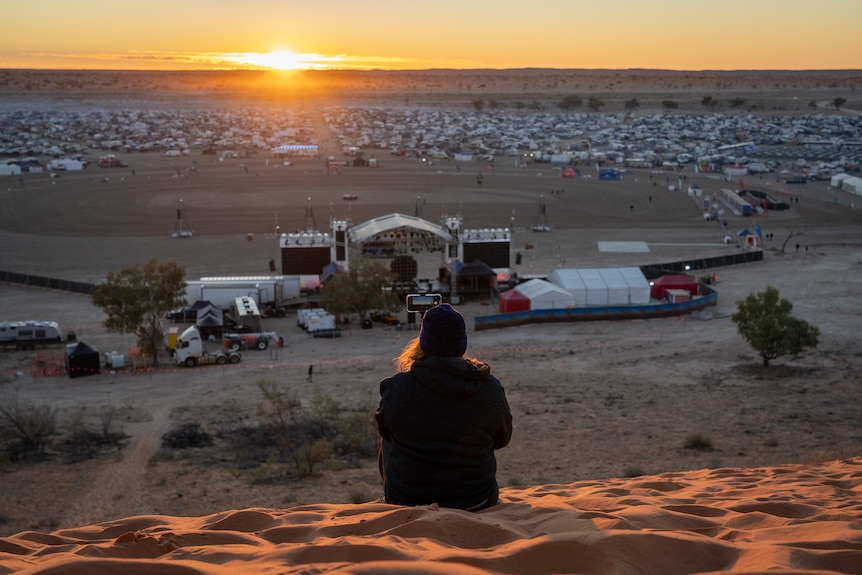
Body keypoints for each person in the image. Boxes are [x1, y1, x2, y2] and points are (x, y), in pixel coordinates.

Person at [375, 304, 513, 511]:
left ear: (423, 342)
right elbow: (502, 439)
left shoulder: (395, 387)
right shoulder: (490, 387)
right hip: (477, 500)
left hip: (407, 499)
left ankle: (391, 499)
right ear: (462, 345)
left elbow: (386, 432)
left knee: (387, 435)